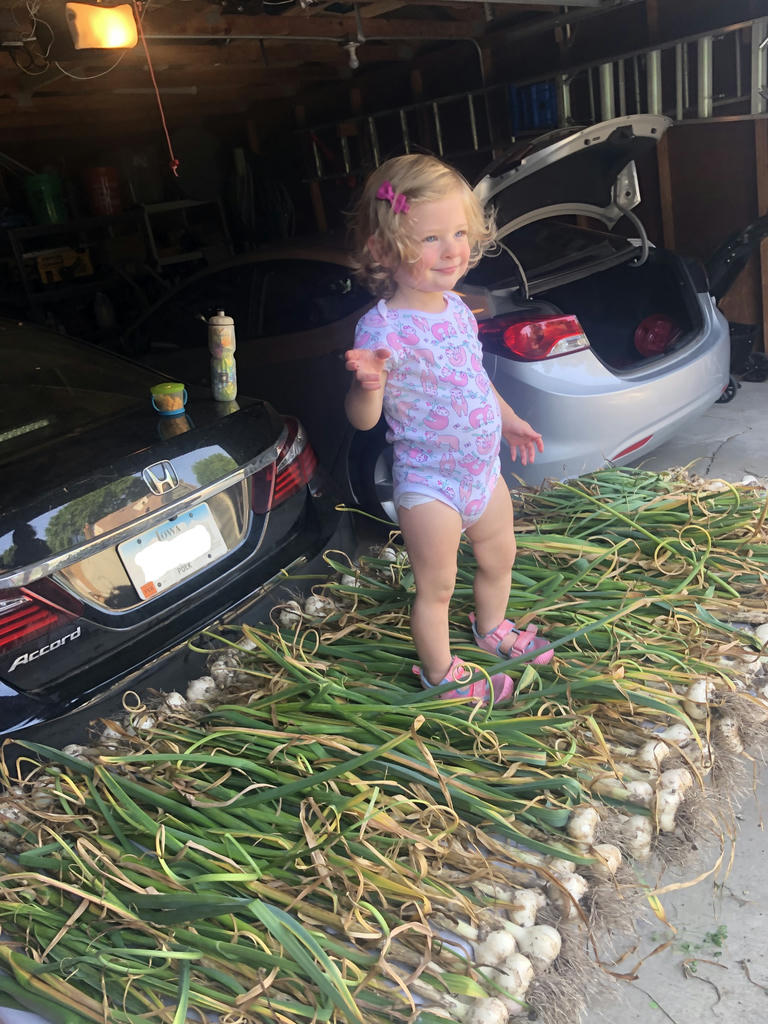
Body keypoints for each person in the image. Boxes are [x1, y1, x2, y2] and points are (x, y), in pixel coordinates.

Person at [344, 153, 553, 705]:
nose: (453, 249)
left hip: (483, 472)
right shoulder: (381, 326)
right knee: (436, 587)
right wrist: (369, 384)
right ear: (384, 251)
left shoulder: (458, 310)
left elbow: (474, 382)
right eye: (431, 238)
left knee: (499, 556)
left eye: (459, 233)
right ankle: (442, 674)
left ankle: (492, 627)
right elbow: (364, 420)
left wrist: (509, 421)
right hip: (430, 483)